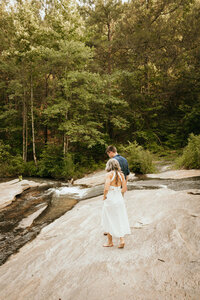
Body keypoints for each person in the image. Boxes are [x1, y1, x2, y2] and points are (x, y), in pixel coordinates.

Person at [101, 158, 131, 248]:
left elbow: (106, 188)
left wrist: (104, 196)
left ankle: (110, 242)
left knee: (108, 218)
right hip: (119, 198)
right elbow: (124, 189)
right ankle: (122, 239)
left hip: (110, 198)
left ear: (108, 165)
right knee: (119, 218)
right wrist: (119, 195)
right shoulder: (121, 175)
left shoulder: (109, 175)